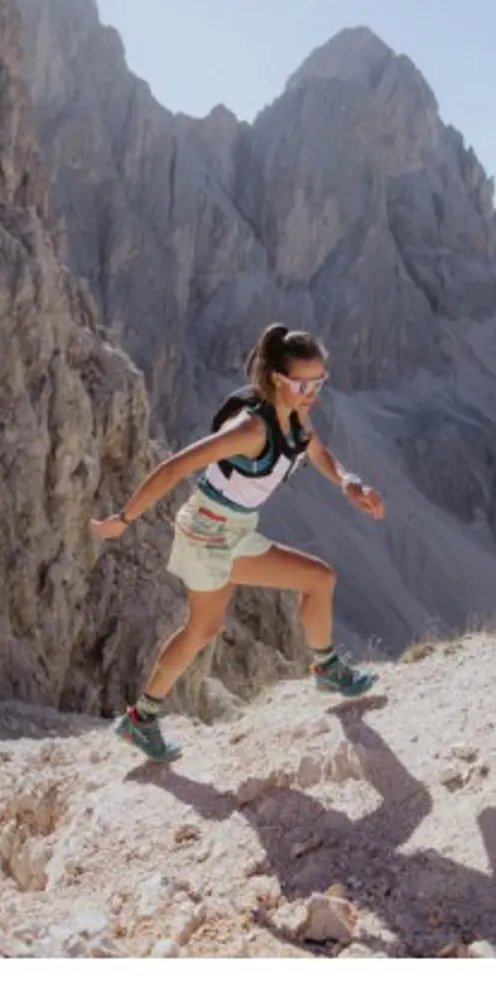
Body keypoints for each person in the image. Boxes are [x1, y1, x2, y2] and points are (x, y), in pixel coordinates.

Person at [90, 324, 385, 761]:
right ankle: (141, 719)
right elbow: (174, 468)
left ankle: (326, 669)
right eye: (303, 384)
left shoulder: (296, 416)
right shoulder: (249, 430)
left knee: (319, 579)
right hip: (206, 532)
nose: (312, 393)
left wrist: (349, 482)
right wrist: (124, 519)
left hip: (236, 529)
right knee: (203, 629)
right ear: (278, 380)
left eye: (319, 382)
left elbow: (317, 452)